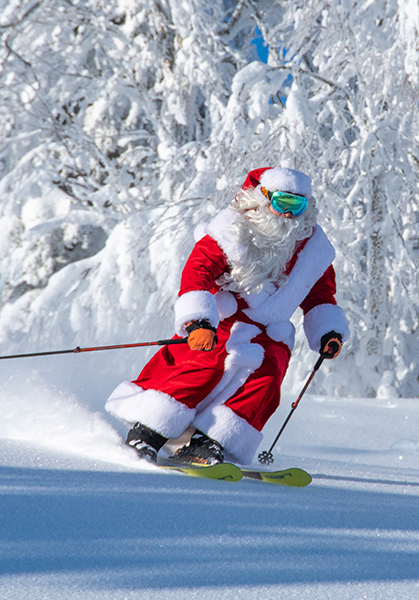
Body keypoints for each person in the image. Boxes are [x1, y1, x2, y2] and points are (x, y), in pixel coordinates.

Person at [105, 167, 349, 466]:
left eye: (297, 206)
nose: (288, 215)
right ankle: (149, 431)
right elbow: (198, 273)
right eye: (282, 203)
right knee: (205, 365)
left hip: (268, 332)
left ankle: (209, 443)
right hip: (222, 323)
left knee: (266, 378)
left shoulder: (313, 250)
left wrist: (328, 332)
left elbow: (320, 295)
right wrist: (198, 321)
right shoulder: (228, 233)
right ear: (263, 198)